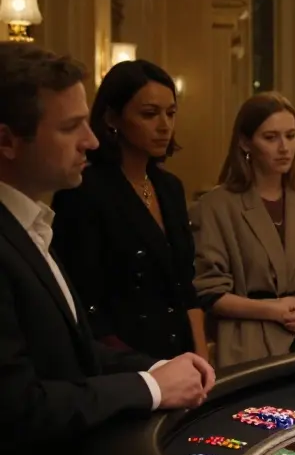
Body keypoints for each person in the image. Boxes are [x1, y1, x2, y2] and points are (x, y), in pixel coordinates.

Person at [0, 45, 213, 455]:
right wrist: (150, 386)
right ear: (8, 141)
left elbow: (71, 352)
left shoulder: (32, 224)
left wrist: (159, 367)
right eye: (70, 126)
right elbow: (17, 409)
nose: (91, 142)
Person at [51, 59, 207, 362]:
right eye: (149, 114)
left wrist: (201, 357)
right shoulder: (84, 190)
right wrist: (146, 370)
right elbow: (84, 302)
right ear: (113, 117)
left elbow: (185, 286)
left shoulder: (169, 187)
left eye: (171, 113)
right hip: (122, 364)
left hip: (181, 355)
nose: (164, 125)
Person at [192, 93, 295, 368]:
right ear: (245, 142)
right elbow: (208, 291)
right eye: (271, 138)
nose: (284, 147)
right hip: (245, 345)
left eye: (291, 136)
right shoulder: (214, 206)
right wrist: (273, 310)